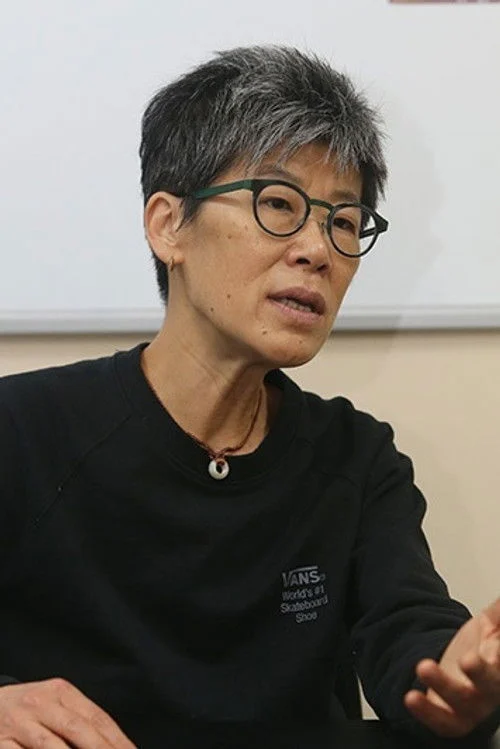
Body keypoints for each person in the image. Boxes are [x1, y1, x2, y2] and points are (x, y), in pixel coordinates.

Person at [0, 45, 498, 749]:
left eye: (344, 221)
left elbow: (410, 636)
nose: (318, 249)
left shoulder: (356, 458)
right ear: (168, 225)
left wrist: (457, 679)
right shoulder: (21, 431)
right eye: (278, 204)